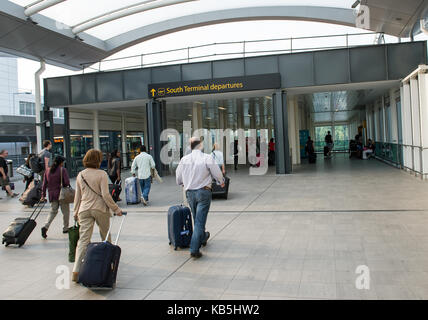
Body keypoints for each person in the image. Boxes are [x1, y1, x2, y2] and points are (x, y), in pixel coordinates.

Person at [72, 149, 123, 282]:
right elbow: (106, 195)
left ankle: (76, 271)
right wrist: (116, 209)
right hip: (100, 208)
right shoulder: (102, 174)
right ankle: (108, 263)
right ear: (98, 160)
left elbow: (77, 196)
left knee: (83, 240)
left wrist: (75, 212)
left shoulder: (80, 174)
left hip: (84, 209)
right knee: (105, 236)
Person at [176, 137, 224, 259]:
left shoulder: (184, 159)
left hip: (190, 193)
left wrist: (183, 182)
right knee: (199, 221)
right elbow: (217, 172)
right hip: (204, 192)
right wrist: (221, 181)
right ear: (201, 146)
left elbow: (178, 178)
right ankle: (194, 249)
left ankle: (203, 237)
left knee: (196, 218)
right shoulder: (207, 158)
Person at [40, 156, 71, 238]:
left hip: (52, 194)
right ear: (61, 162)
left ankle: (46, 226)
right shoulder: (62, 170)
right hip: (62, 194)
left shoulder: (47, 170)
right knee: (65, 212)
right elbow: (67, 182)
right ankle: (65, 228)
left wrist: (43, 195)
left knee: (53, 211)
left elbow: (44, 184)